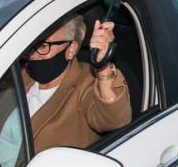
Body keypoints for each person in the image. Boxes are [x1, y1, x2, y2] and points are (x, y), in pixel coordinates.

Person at [19, 14, 131, 153]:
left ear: (71, 49)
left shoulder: (83, 83)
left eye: (43, 46)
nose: (33, 55)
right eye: (31, 46)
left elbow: (115, 119)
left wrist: (103, 67)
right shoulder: (21, 75)